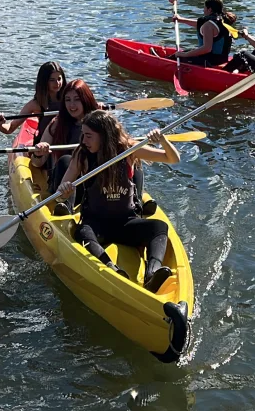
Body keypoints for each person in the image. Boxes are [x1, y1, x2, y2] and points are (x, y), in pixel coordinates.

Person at [56, 111, 180, 292]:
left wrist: (162, 140)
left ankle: (152, 274)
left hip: (126, 223)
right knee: (82, 231)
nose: (83, 140)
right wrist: (65, 191)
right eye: (83, 135)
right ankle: (111, 269)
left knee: (159, 227)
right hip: (97, 225)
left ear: (104, 136)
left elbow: (173, 159)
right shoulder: (82, 155)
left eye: (89, 136)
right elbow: (60, 195)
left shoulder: (129, 150)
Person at [30, 78, 102, 212]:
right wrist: (39, 153)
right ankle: (65, 207)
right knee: (67, 160)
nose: (72, 105)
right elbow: (36, 163)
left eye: (77, 99)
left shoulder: (98, 122)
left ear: (86, 99)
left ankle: (134, 203)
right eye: (68, 100)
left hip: (91, 182)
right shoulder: (57, 123)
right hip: (62, 186)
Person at [0, 61, 67, 136]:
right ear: (44, 81)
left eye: (59, 79)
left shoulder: (69, 99)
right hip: (45, 144)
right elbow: (10, 128)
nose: (57, 83)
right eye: (52, 80)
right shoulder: (35, 104)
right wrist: (0, 125)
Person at [167, 0, 236, 67]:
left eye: (205, 8)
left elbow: (207, 49)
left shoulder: (208, 25)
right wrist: (181, 19)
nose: (203, 10)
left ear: (209, 9)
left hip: (210, 62)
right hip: (222, 59)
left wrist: (184, 55)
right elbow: (200, 24)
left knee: (175, 57)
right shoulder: (223, 21)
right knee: (185, 52)